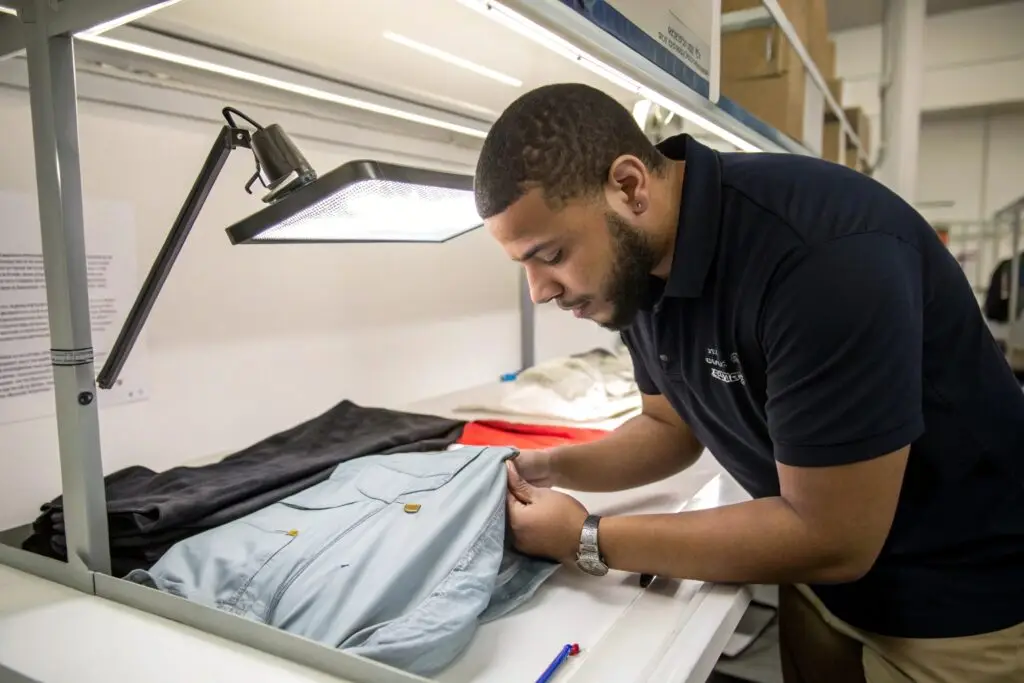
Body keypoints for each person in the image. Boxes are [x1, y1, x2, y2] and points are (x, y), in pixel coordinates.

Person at [472, 82, 1024, 682]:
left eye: (549, 255)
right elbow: (669, 428)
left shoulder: (820, 257)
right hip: (820, 584)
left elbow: (834, 535)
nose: (539, 290)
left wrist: (587, 537)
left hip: (958, 600)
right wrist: (547, 467)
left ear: (629, 186)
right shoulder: (635, 271)